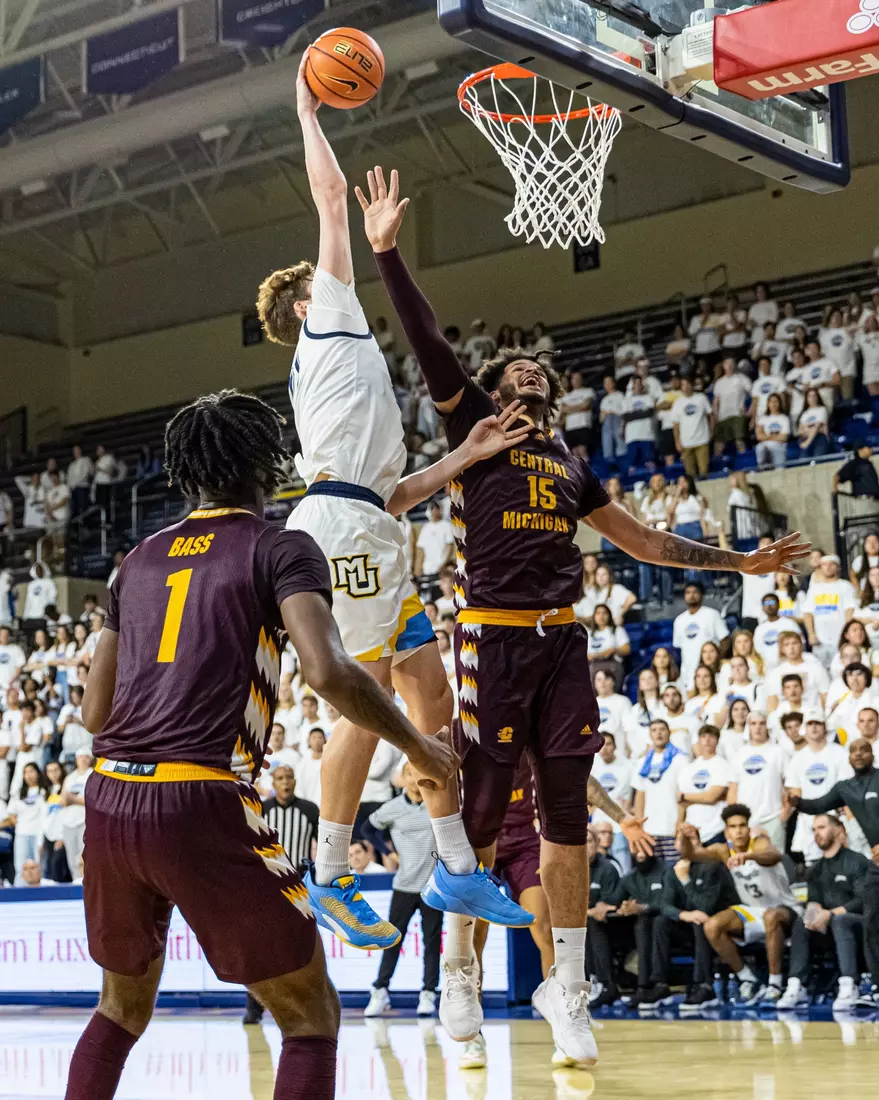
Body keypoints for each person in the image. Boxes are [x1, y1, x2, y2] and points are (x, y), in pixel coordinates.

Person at [362, 160, 808, 1064]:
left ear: (553, 396)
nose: (527, 371)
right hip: (489, 641)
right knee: (480, 827)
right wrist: (388, 255)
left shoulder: (571, 466)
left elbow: (644, 543)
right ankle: (457, 971)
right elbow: (428, 344)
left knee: (568, 819)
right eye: (513, 368)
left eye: (538, 370)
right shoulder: (478, 433)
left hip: (563, 645)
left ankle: (567, 991)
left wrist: (739, 560)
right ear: (495, 389)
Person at [63, 387, 458, 1100]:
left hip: (109, 794)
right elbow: (329, 671)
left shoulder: (136, 561)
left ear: (187, 472)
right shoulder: (279, 546)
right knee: (310, 1014)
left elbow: (94, 713)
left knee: (118, 1011)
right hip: (198, 795)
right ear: (270, 464)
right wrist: (420, 747)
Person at [256, 73, 532, 954]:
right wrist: (304, 108)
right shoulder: (326, 321)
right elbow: (330, 196)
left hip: (365, 520)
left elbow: (396, 491)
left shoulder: (344, 367)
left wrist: (464, 457)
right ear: (305, 304)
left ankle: (453, 863)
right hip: (338, 532)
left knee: (429, 697)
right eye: (323, 277)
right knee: (362, 700)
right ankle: (331, 872)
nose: (336, 275)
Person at [785, 738, 879, 1008]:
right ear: (848, 758)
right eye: (854, 751)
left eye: (864, 750)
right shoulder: (844, 788)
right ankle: (875, 987)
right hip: (877, 863)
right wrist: (794, 800)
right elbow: (816, 805)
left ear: (872, 753)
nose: (859, 754)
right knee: (873, 924)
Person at [681, 805, 800, 1006]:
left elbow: (772, 856)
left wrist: (748, 856)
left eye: (742, 825)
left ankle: (775, 984)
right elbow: (691, 854)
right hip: (753, 912)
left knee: (771, 916)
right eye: (733, 827)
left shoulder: (759, 843)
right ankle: (747, 978)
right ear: (726, 831)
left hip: (785, 909)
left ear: (748, 827)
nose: (738, 831)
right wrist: (683, 837)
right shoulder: (723, 850)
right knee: (712, 926)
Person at [362, 761, 444, 1020]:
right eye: (410, 773)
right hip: (403, 885)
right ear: (403, 777)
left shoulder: (437, 803)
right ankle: (381, 990)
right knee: (393, 940)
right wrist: (387, 851)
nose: (414, 778)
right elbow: (367, 828)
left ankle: (429, 993)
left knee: (432, 942)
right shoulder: (393, 808)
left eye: (419, 773)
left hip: (433, 886)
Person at [242, 762, 321, 1026]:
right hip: (264, 884)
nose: (285, 782)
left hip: (298, 886)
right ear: (272, 783)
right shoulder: (261, 809)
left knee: (300, 946)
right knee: (259, 947)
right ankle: (254, 1008)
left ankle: (303, 1003)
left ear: (295, 781)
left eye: (289, 777)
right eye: (280, 778)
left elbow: (322, 843)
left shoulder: (310, 810)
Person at [776, 813, 869, 1012]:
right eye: (814, 829)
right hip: (829, 926)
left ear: (839, 830)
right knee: (802, 922)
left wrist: (831, 913)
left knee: (840, 920)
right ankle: (795, 985)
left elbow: (864, 900)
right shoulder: (816, 869)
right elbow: (814, 901)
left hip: (861, 926)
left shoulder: (858, 861)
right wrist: (813, 915)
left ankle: (849, 985)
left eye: (821, 828)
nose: (816, 833)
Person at [785, 710, 853, 863]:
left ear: (825, 727)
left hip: (837, 820)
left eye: (818, 723)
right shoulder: (798, 758)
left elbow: (846, 790)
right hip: (809, 823)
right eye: (810, 724)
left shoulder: (840, 753)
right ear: (805, 728)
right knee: (814, 868)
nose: (814, 727)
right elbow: (795, 792)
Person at [678, 725, 731, 845]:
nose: (707, 740)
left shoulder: (723, 765)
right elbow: (682, 803)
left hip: (716, 829)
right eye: (703, 737)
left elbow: (711, 797)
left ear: (717, 740)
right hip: (691, 830)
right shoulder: (689, 768)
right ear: (699, 740)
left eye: (711, 736)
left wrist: (684, 797)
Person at [802, 554, 857, 668]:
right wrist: (811, 634)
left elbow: (850, 610)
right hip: (820, 641)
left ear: (838, 567)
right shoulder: (815, 588)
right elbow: (807, 613)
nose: (828, 567)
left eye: (831, 564)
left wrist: (847, 635)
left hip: (840, 639)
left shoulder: (845, 586)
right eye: (824, 564)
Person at [673, 582, 730, 687]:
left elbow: (725, 641)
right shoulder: (679, 620)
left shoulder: (712, 614)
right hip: (687, 673)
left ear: (702, 595)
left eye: (695, 592)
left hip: (710, 673)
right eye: (688, 592)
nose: (691, 595)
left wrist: (716, 662)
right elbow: (678, 649)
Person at [670, 376, 713, 477]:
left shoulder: (701, 398)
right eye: (682, 385)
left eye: (687, 384)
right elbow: (676, 425)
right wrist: (677, 441)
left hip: (702, 440)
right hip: (686, 442)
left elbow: (710, 416)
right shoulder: (678, 403)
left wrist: (711, 431)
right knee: (690, 474)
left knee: (704, 472)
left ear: (691, 385)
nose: (684, 387)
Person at [712, 357, 750, 458]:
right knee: (718, 443)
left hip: (737, 414)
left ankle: (744, 460)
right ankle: (718, 465)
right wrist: (716, 416)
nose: (729, 366)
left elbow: (753, 395)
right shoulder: (719, 382)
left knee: (739, 441)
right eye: (727, 364)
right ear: (724, 366)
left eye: (731, 364)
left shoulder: (742, 378)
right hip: (723, 416)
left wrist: (748, 411)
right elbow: (716, 402)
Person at [414, 500, 455, 580]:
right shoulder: (425, 528)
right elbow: (420, 550)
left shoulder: (446, 525)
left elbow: (449, 546)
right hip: (427, 569)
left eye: (437, 508)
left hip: (442, 569)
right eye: (433, 508)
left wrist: (443, 564)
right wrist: (418, 569)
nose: (435, 510)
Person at [755, 393, 790, 470]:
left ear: (779, 403)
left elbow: (784, 437)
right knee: (759, 448)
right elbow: (759, 436)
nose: (773, 404)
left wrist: (767, 437)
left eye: (776, 401)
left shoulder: (784, 418)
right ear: (768, 404)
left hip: (779, 447)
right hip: (765, 446)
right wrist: (776, 436)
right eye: (771, 401)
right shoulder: (763, 419)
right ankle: (762, 470)